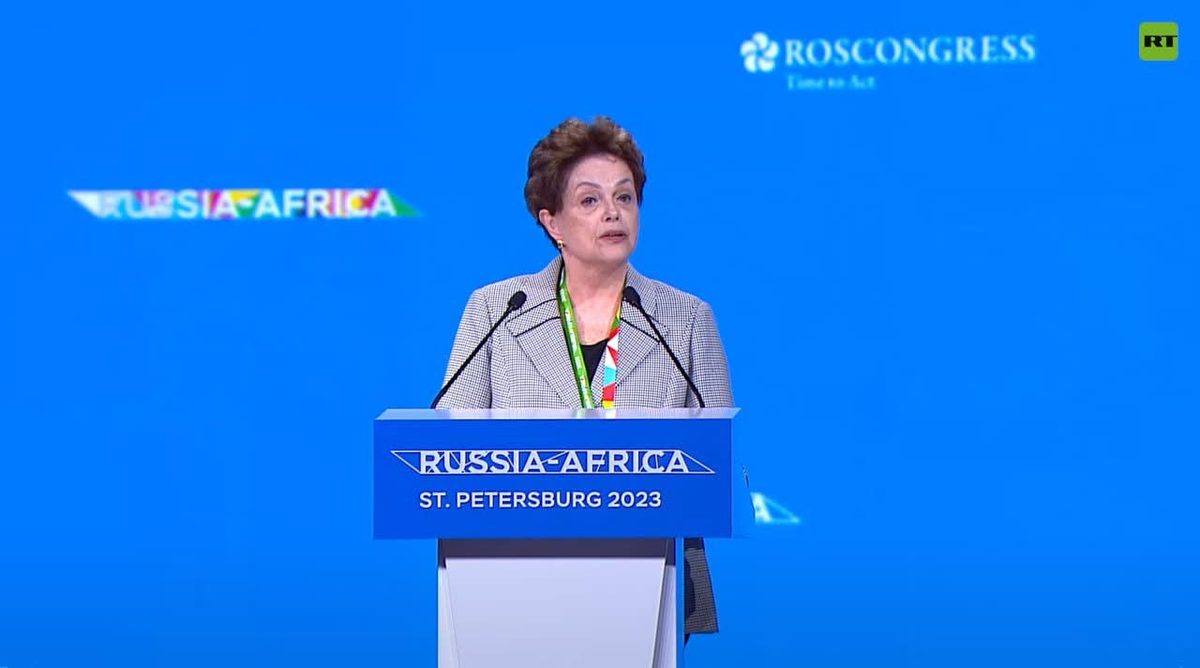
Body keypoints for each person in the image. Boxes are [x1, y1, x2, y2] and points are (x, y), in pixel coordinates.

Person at [436, 115, 734, 641]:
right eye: (590, 200)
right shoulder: (497, 310)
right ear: (552, 222)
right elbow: (447, 455)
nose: (613, 212)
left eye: (625, 197)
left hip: (652, 584)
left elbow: (719, 462)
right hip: (511, 580)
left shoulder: (686, 319)